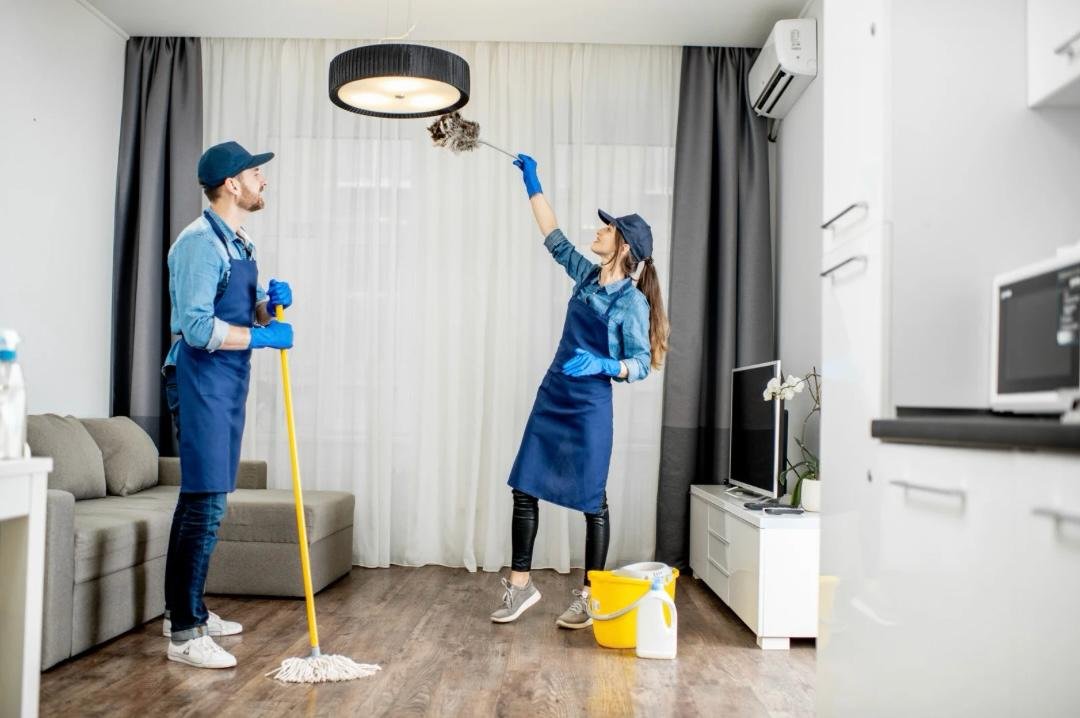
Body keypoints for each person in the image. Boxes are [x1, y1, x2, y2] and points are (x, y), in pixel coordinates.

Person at [491, 153, 670, 628]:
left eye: (607, 228)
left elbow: (642, 364)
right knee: (525, 486)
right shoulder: (587, 275)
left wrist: (605, 364)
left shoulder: (632, 303)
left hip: (590, 406)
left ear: (624, 246)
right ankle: (521, 587)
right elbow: (553, 236)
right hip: (553, 395)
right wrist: (533, 183)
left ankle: (591, 597)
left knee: (593, 501)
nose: (598, 231)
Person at [160, 141, 294, 668]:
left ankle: (184, 610)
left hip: (225, 380)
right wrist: (262, 338)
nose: (264, 181)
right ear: (232, 184)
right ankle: (185, 634)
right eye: (256, 174)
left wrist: (266, 308)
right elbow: (196, 327)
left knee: (205, 498)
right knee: (205, 500)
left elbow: (233, 309)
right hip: (199, 378)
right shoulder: (199, 243)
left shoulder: (239, 242)